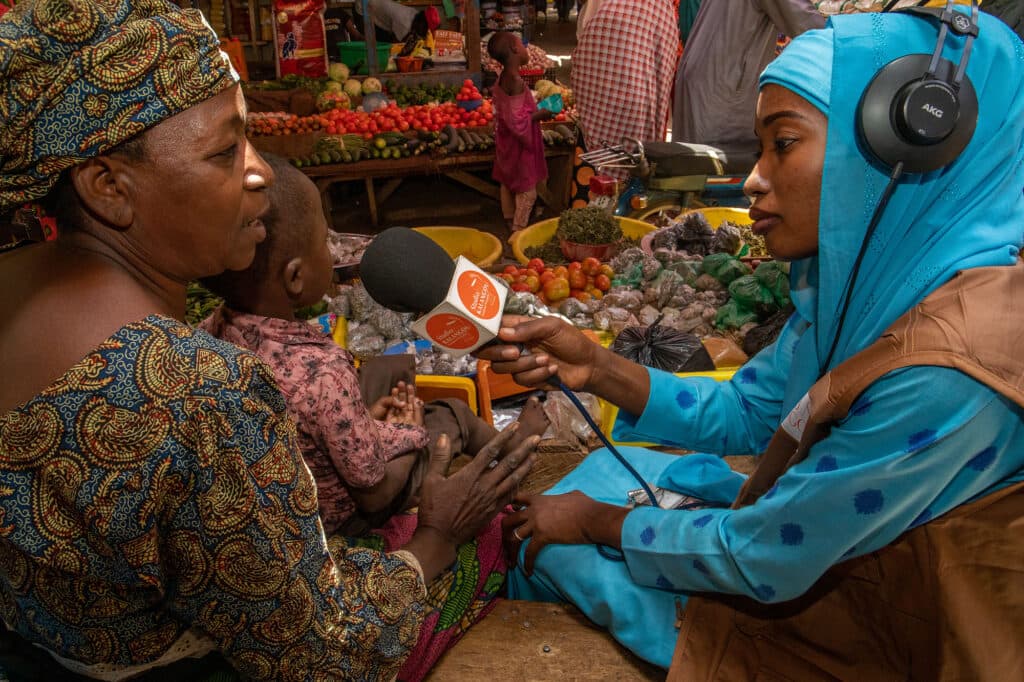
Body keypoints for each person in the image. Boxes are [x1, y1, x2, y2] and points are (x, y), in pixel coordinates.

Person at [478, 5, 1024, 677]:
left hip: (886, 620)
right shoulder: (859, 287)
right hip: (824, 547)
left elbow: (766, 556)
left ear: (897, 151)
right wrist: (597, 366)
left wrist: (597, 525)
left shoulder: (948, 373)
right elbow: (752, 412)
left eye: (783, 143)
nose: (753, 179)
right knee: (596, 480)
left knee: (550, 544)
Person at [0, 1, 536, 680]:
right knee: (492, 541)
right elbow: (319, 655)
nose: (258, 172)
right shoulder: (195, 390)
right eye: (226, 151)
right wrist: (437, 537)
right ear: (108, 186)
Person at [200, 155, 548, 538]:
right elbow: (375, 494)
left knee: (384, 371)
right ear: (296, 277)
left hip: (289, 487)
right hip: (342, 515)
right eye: (325, 239)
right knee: (452, 414)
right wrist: (410, 433)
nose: (334, 250)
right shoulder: (323, 370)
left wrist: (362, 420)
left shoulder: (209, 330)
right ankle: (518, 460)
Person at [672, 0, 824, 172]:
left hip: (706, 76)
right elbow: (807, 25)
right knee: (713, 169)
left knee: (692, 170)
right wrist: (843, 35)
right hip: (723, 85)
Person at [571, 0, 677, 171]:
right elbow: (664, 65)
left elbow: (583, 49)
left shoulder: (607, 6)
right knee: (637, 161)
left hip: (606, 106)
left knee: (604, 162)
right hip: (642, 103)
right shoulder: (662, 8)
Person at [488, 31, 552, 235]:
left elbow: (507, 112)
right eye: (522, 44)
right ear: (515, 49)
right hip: (519, 145)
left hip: (506, 141)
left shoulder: (503, 78)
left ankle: (508, 219)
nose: (526, 48)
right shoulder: (515, 81)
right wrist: (541, 113)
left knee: (507, 181)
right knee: (527, 191)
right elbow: (518, 122)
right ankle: (518, 231)